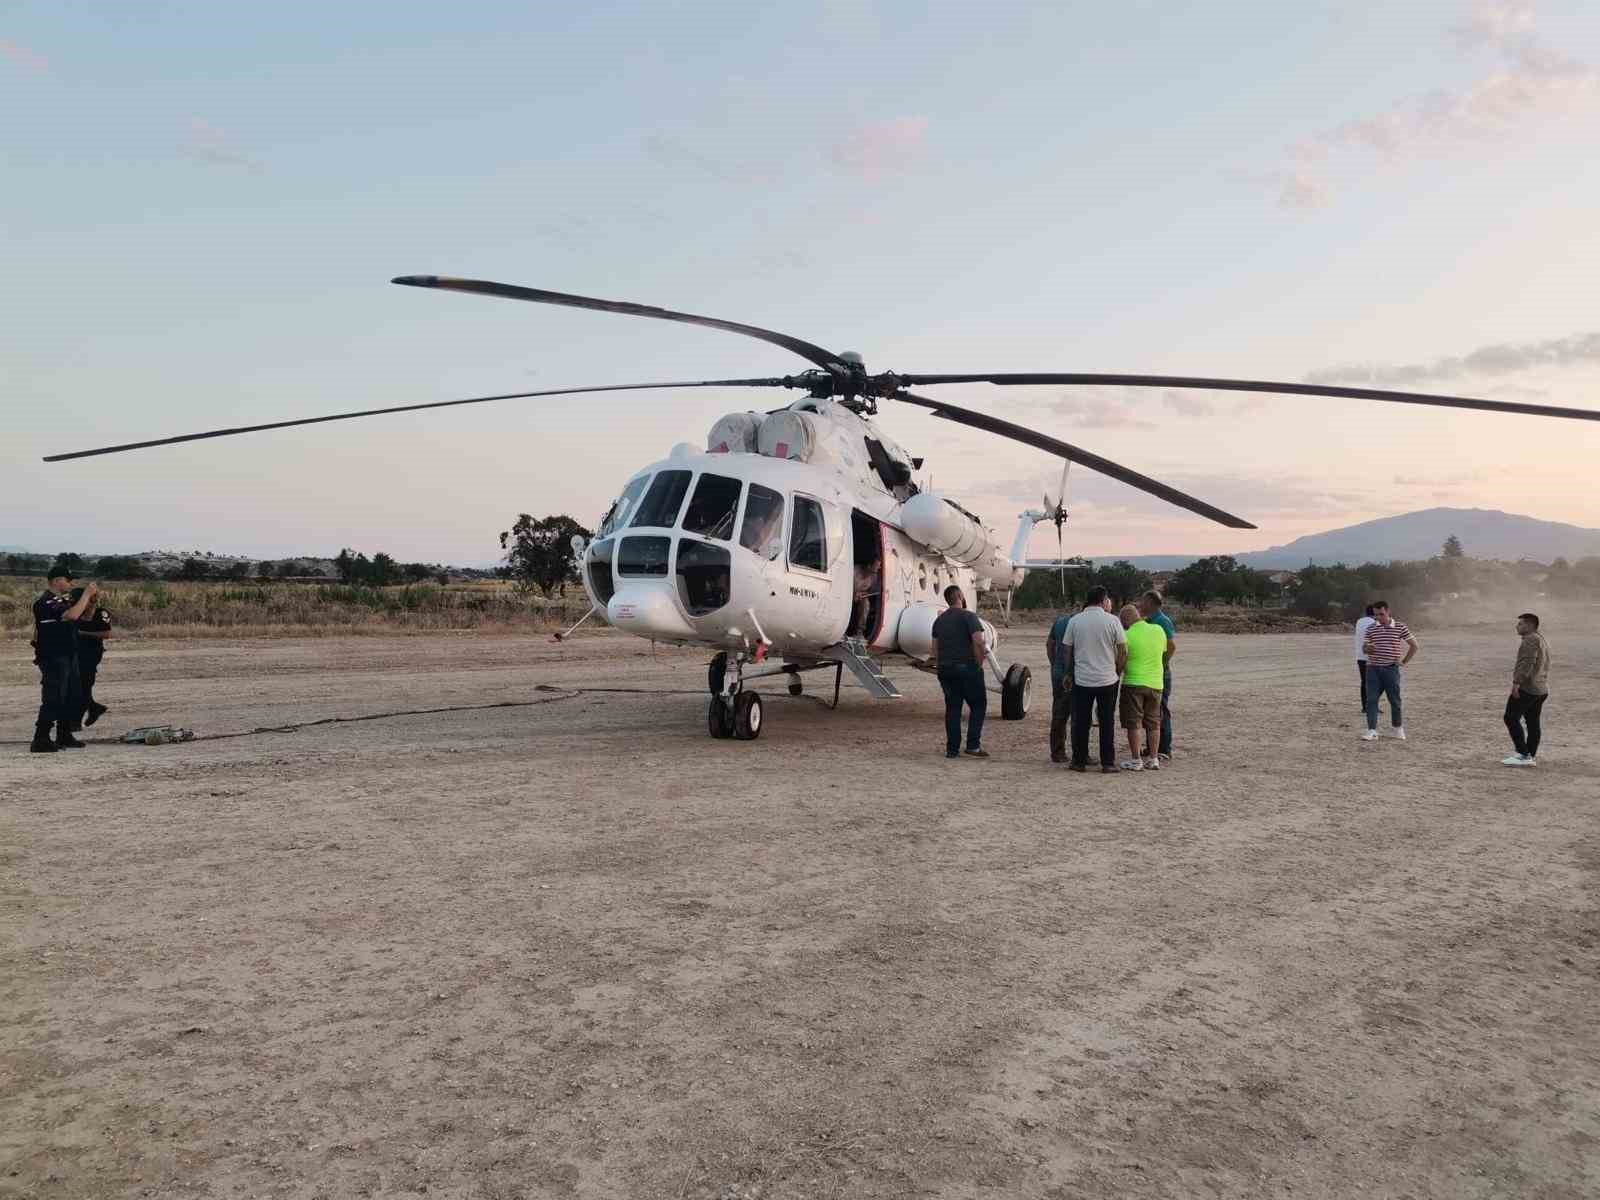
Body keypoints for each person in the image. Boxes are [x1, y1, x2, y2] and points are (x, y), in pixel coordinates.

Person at [31, 566, 95, 753]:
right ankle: (41, 739)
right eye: (69, 580)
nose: (71, 584)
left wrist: (90, 602)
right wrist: (86, 594)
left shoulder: (62, 601)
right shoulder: (45, 602)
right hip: (53, 656)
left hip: (68, 653)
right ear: (58, 581)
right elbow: (72, 614)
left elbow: (86, 618)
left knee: (71, 695)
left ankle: (64, 734)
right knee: (54, 697)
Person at [1063, 586, 1126, 774]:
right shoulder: (1113, 621)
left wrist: (1069, 673)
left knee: (1081, 722)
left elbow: (1067, 649)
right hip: (1107, 680)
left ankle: (1079, 761)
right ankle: (1108, 762)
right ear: (1104, 600)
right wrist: (1117, 670)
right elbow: (1123, 650)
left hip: (1083, 680)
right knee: (1107, 722)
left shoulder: (1075, 621)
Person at [929, 585, 989, 759]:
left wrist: (941, 668)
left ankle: (952, 750)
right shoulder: (969, 616)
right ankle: (973, 746)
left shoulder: (938, 621)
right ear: (960, 596)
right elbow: (978, 641)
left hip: (945, 670)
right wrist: (979, 663)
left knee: (953, 708)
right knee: (978, 705)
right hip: (967, 667)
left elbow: (934, 650)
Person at [1118, 603, 1167, 771]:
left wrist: (1118, 671)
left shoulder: (1126, 635)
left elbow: (1122, 657)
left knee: (1134, 722)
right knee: (1154, 722)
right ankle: (1153, 758)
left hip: (1133, 682)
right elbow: (1165, 651)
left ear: (1125, 620)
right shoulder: (1158, 630)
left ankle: (1136, 759)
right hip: (1156, 683)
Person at [1361, 600, 1417, 742]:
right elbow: (1365, 648)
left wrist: (1403, 662)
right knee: (1371, 700)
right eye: (1376, 615)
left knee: (1395, 701)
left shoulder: (1400, 627)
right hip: (1372, 669)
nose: (1378, 618)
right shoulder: (1371, 628)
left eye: (1381, 614)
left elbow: (1414, 646)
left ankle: (1397, 729)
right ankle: (1372, 731)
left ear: (1388, 611)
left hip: (1391, 669)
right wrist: (1368, 648)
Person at [1502, 612, 1550, 767]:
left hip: (1528, 688)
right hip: (1541, 688)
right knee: (1532, 722)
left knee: (1510, 717)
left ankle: (1523, 754)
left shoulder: (1530, 640)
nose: (1517, 626)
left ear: (1529, 625)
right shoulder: (1540, 638)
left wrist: (1517, 683)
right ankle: (1529, 755)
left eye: (1520, 624)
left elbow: (1527, 663)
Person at [1137, 590, 1176, 760]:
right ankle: (1152, 746)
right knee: (1150, 712)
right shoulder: (1149, 621)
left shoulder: (1163, 622)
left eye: (1143, 602)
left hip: (1160, 673)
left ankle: (1164, 748)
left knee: (1161, 710)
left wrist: (1160, 664)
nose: (1140, 605)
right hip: (1151, 674)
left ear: (1151, 603)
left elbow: (1171, 647)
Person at [72, 587, 114, 729]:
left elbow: (106, 633)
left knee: (84, 685)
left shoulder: (101, 613)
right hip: (76, 652)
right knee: (81, 687)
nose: (92, 603)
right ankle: (93, 708)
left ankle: (77, 721)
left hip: (91, 653)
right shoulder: (76, 613)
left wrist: (83, 633)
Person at [1046, 605, 1074, 763]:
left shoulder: (1059, 621)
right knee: (1079, 714)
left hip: (1057, 673)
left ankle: (1057, 751)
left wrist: (1054, 664)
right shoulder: (1080, 623)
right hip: (1074, 674)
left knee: (1059, 713)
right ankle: (1080, 752)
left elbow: (1049, 645)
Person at [1354, 604, 1376, 715]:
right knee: (1374, 683)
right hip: (1372, 657)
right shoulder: (1374, 623)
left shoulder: (1359, 621)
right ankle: (1372, 706)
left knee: (1364, 682)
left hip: (1360, 656)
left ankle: (1365, 707)